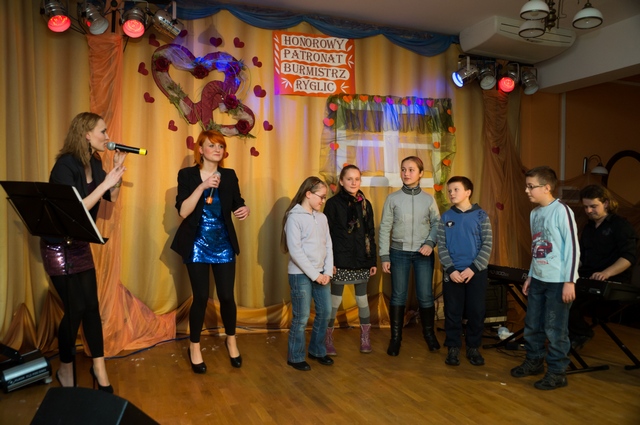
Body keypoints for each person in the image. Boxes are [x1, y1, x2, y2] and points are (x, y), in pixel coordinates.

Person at [41, 112, 127, 393]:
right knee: (75, 308)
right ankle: (65, 369)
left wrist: (116, 174)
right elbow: (74, 210)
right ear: (86, 134)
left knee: (91, 306)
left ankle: (99, 367)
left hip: (79, 242)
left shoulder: (96, 161)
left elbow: (110, 198)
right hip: (57, 245)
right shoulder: (65, 166)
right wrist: (105, 183)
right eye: (103, 131)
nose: (107, 137)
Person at [171, 130, 250, 373]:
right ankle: (194, 346)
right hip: (197, 242)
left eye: (220, 146)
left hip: (223, 242)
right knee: (201, 296)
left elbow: (237, 202)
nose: (217, 150)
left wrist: (243, 209)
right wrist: (203, 186)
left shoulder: (229, 175)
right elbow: (183, 211)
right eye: (212, 145)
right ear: (201, 150)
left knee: (226, 296)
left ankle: (231, 340)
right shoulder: (187, 175)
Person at [511, 166, 580, 391]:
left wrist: (570, 281)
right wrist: (531, 275)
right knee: (532, 325)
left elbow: (572, 248)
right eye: (526, 186)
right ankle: (534, 362)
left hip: (558, 282)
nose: (527, 191)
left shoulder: (562, 211)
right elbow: (537, 248)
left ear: (547, 187)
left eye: (531, 187)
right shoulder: (534, 214)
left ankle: (557, 372)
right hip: (539, 279)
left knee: (555, 328)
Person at [379, 156, 441, 356]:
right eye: (403, 169)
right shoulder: (393, 199)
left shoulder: (429, 199)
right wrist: (384, 256)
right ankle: (395, 339)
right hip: (399, 253)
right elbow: (385, 228)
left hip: (423, 253)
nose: (406, 173)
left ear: (420, 173)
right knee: (399, 295)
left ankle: (429, 335)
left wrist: (430, 243)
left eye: (411, 169)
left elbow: (437, 224)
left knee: (425, 295)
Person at [569, 184, 638, 350]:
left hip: (611, 280)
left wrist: (606, 273)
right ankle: (569, 336)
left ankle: (581, 333)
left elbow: (629, 257)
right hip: (588, 277)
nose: (589, 210)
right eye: (586, 207)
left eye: (593, 206)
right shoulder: (588, 228)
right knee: (558, 292)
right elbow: (581, 258)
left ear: (606, 203)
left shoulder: (620, 226)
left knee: (568, 299)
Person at [437, 176, 492, 366]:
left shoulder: (481, 216)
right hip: (453, 273)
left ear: (468, 192)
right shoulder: (445, 217)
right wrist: (451, 269)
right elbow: (442, 246)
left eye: (456, 190)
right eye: (449, 190)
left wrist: (473, 269)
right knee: (452, 312)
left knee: (476, 311)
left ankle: (473, 347)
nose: (451, 193)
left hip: (476, 273)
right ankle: (453, 347)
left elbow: (487, 245)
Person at [323, 165, 377, 355]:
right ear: (341, 181)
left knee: (362, 300)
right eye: (349, 179)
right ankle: (327, 338)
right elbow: (327, 235)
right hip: (340, 260)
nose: (354, 183)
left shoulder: (366, 204)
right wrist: (329, 262)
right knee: (334, 301)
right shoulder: (333, 204)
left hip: (361, 259)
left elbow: (370, 233)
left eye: (357, 179)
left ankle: (365, 338)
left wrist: (372, 261)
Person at [281, 177, 334, 371]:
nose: (323, 201)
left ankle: (317, 350)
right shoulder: (294, 217)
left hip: (321, 273)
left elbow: (328, 245)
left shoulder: (322, 218)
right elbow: (296, 252)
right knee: (302, 316)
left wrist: (327, 271)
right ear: (308, 194)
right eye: (321, 197)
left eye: (325, 197)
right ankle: (295, 356)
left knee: (325, 312)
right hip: (300, 275)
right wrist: (315, 275)